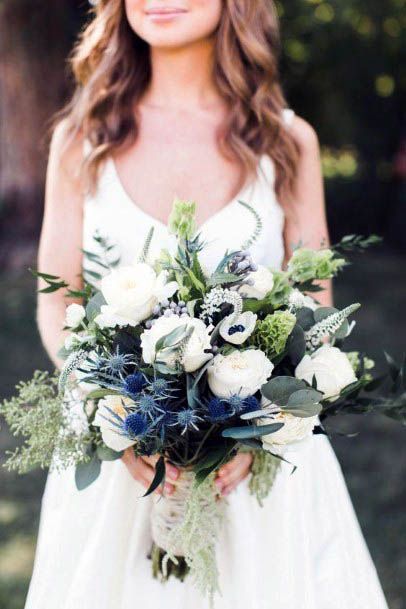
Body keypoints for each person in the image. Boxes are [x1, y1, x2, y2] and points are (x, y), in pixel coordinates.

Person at [26, 1, 388, 608]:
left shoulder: (285, 142)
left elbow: (315, 312)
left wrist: (260, 431)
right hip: (120, 469)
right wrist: (113, 415)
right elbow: (55, 302)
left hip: (261, 473)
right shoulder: (81, 139)